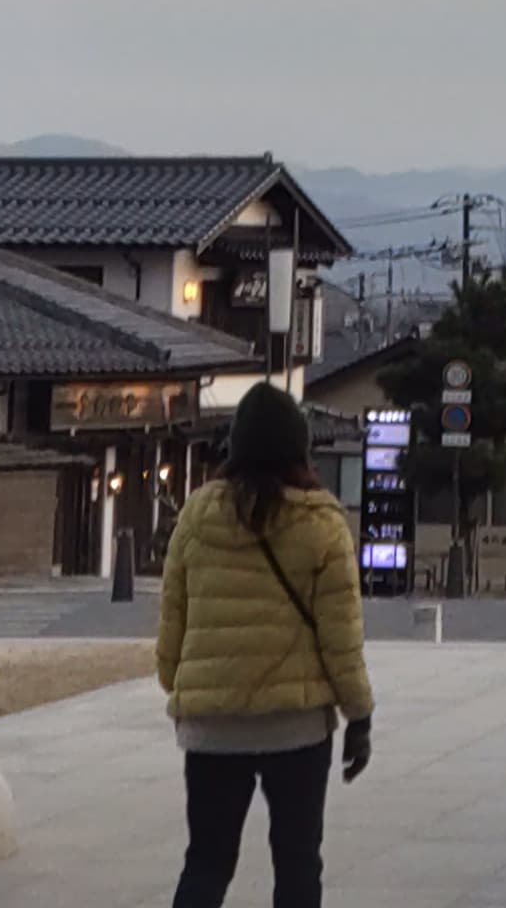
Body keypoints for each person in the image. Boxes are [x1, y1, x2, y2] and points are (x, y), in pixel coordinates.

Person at [156, 385, 374, 908]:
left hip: (213, 726)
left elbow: (173, 622)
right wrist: (358, 717)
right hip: (295, 725)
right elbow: (341, 638)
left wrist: (182, 684)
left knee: (206, 860)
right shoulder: (322, 525)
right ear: (300, 450)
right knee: (297, 862)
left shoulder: (196, 514)